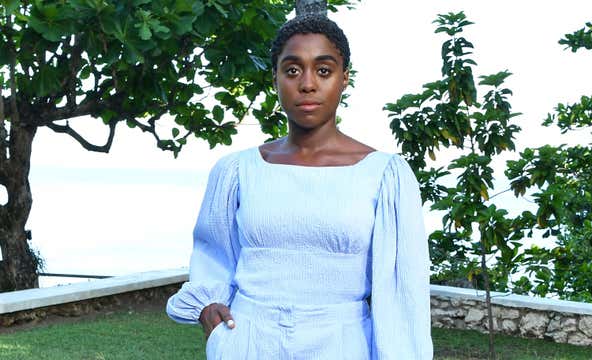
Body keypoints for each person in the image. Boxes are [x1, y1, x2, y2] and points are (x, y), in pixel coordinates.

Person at [166, 14, 432, 359]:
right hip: (247, 341)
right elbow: (213, 255)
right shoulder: (238, 170)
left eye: (323, 70)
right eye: (292, 70)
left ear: (344, 78)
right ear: (275, 78)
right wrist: (210, 310)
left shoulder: (385, 175)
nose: (307, 84)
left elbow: (402, 291)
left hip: (342, 345)